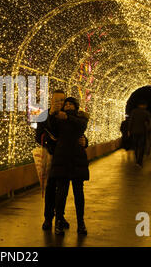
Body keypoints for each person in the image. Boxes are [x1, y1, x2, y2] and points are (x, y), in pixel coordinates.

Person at [35, 90, 88, 231]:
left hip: (65, 156)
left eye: (62, 100)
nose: (60, 103)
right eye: (57, 100)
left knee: (62, 191)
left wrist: (85, 141)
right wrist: (50, 141)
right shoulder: (43, 115)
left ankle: (60, 217)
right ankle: (48, 218)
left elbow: (77, 132)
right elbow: (38, 136)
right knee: (51, 189)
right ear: (51, 101)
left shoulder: (66, 116)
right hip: (51, 156)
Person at [48, 97, 89, 235]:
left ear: (76, 106)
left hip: (77, 159)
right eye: (66, 104)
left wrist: (67, 117)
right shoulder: (58, 118)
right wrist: (53, 114)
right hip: (62, 158)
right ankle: (58, 221)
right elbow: (52, 130)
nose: (68, 106)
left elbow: (82, 127)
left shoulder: (81, 118)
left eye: (71, 104)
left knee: (79, 193)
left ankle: (81, 223)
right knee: (61, 193)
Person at [128, 100, 151, 167]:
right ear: (143, 105)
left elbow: (130, 121)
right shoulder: (146, 112)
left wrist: (129, 130)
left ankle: (136, 159)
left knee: (135, 146)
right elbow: (149, 122)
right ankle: (139, 161)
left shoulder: (134, 111)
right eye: (145, 105)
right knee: (141, 147)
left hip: (134, 131)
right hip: (142, 131)